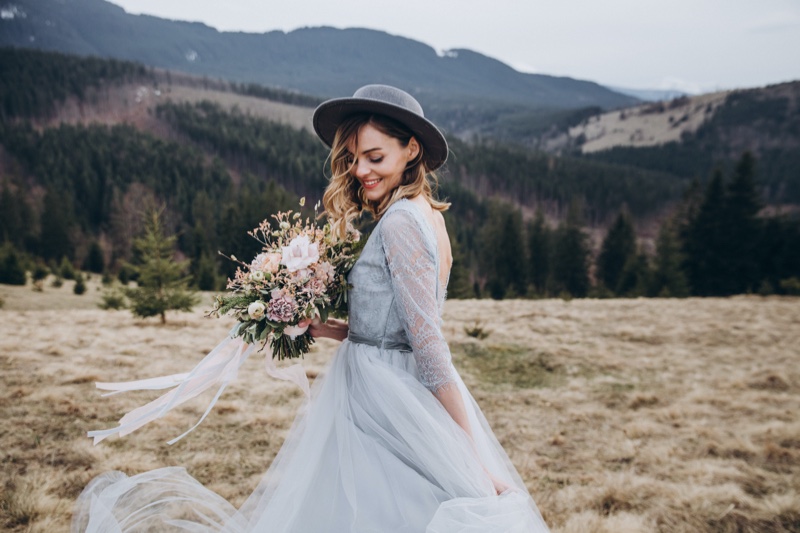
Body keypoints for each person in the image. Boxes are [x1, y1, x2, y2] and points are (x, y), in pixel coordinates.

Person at [73, 84, 550, 532]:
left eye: (375, 156)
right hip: (383, 377)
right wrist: (329, 329)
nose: (361, 171)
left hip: (386, 397)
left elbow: (427, 346)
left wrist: (472, 459)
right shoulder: (426, 214)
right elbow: (396, 330)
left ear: (413, 150)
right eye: (353, 158)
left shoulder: (402, 224)